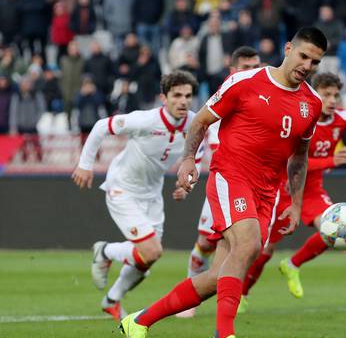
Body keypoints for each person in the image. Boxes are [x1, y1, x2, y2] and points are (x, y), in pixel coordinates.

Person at [119, 27, 327, 338]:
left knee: (220, 276)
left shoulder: (311, 103)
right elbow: (201, 120)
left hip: (268, 193)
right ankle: (224, 334)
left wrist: (295, 203)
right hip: (232, 176)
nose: (307, 66)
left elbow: (299, 156)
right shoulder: (245, 82)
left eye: (315, 62)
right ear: (287, 49)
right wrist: (189, 159)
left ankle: (139, 321)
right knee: (248, 244)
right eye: (304, 56)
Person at [71, 71, 199, 321]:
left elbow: (197, 153)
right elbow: (101, 127)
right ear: (164, 98)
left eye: (188, 96)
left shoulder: (195, 124)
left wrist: (187, 184)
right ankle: (106, 251)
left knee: (146, 260)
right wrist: (85, 164)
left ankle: (111, 301)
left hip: (152, 195)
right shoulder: (145, 120)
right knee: (152, 250)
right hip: (123, 188)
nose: (183, 101)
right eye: (177, 95)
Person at [238, 73, 346, 311]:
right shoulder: (301, 119)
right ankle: (242, 293)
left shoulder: (342, 120)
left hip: (313, 190)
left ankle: (292, 264)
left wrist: (329, 161)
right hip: (285, 190)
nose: (331, 100)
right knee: (265, 249)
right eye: (326, 94)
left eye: (336, 95)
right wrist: (330, 161)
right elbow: (294, 161)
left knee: (335, 231)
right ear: (314, 94)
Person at [175, 46, 261, 319]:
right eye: (247, 67)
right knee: (204, 244)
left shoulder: (261, 101)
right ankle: (190, 299)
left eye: (256, 67)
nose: (253, 72)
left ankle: (224, 303)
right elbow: (199, 134)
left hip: (252, 186)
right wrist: (188, 170)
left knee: (243, 247)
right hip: (224, 182)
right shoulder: (222, 100)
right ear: (233, 70)